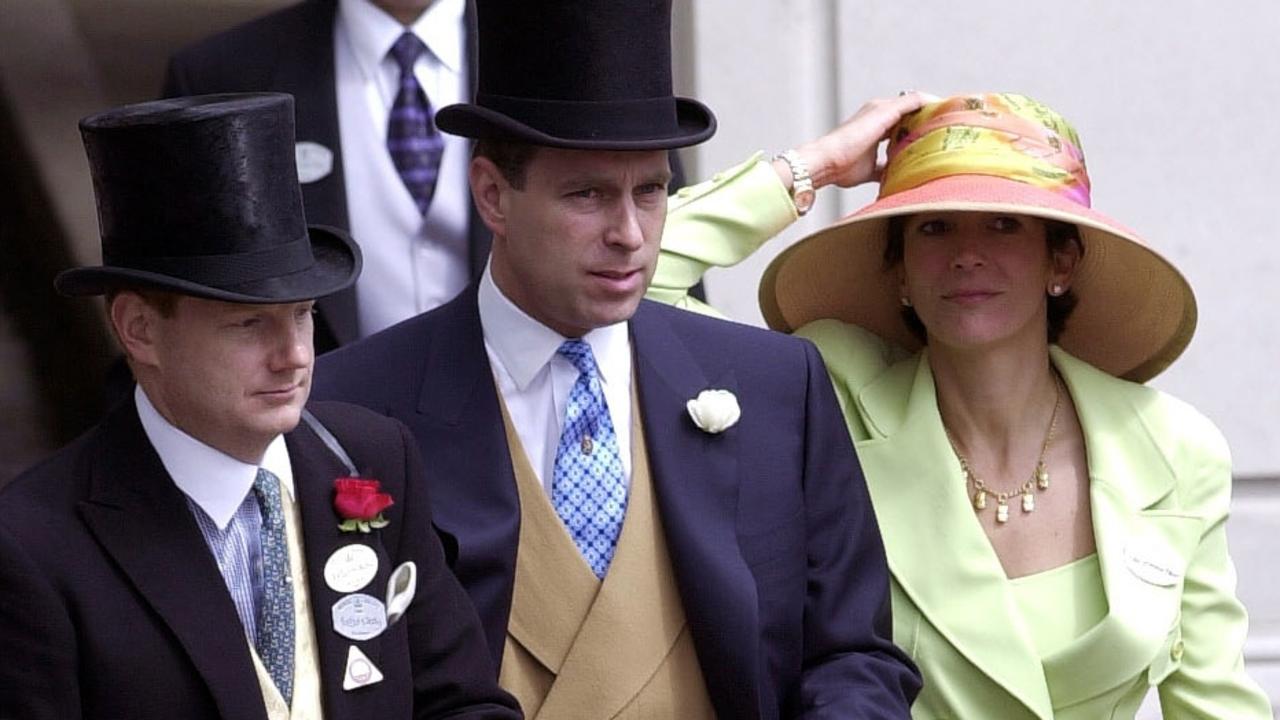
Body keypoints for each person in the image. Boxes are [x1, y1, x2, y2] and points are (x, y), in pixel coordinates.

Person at [312, 0, 922, 717]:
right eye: (588, 195)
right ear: (492, 195)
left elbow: (854, 653)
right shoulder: (349, 406)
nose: (629, 234)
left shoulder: (777, 385)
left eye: (652, 191)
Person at [650, 92, 1274, 718]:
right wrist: (815, 167)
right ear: (898, 272)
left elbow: (1215, 703)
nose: (966, 252)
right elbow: (641, 283)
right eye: (934, 227)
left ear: (1060, 261)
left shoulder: (1172, 446)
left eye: (1004, 224)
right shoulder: (830, 394)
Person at [0, 93, 520, 720]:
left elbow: (462, 704)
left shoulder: (373, 456)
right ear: (138, 328)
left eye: (302, 314)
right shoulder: (31, 545)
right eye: (248, 324)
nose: (295, 355)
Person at [163, 0, 691, 351]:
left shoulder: (572, 44)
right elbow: (182, 310)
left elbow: (667, 270)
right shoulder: (222, 76)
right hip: (324, 454)